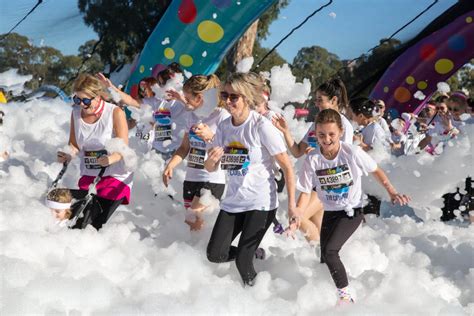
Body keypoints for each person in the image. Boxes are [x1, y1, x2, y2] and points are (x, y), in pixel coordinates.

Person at [292, 108, 410, 305]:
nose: (326, 139)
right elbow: (305, 191)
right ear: (315, 135)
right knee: (324, 255)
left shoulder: (351, 152)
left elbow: (376, 171)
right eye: (321, 135)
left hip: (351, 212)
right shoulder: (313, 159)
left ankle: (346, 297)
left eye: (331, 134)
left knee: (330, 251)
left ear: (340, 132)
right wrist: (296, 214)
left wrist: (392, 192)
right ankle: (327, 294)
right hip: (330, 212)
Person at [204, 72, 296, 286]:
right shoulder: (225, 127)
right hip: (234, 201)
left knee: (242, 262)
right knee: (215, 254)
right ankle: (255, 253)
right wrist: (212, 159)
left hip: (261, 203)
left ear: (246, 97)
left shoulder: (261, 126)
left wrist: (292, 206)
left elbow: (288, 167)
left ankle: (259, 299)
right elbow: (211, 167)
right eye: (225, 95)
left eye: (233, 97)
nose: (227, 101)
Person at [272, 78, 354, 244]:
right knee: (318, 232)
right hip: (312, 183)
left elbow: (344, 161)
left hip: (328, 184)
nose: (316, 103)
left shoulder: (344, 125)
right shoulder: (316, 125)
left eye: (320, 100)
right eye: (315, 99)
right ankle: (320, 260)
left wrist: (320, 154)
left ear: (334, 100)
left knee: (298, 218)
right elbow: (296, 152)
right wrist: (285, 131)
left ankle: (323, 256)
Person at [57, 73, 134, 230]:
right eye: (77, 100)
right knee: (76, 221)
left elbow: (123, 148)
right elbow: (74, 144)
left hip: (115, 177)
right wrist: (68, 153)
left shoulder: (115, 112)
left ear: (98, 98)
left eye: (85, 100)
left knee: (92, 224)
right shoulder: (76, 113)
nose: (81, 105)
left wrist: (111, 158)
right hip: (90, 176)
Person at [163, 74, 229, 231]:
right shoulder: (191, 116)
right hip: (191, 178)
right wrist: (170, 165)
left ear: (199, 98)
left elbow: (230, 150)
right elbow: (185, 147)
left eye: (188, 98)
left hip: (212, 180)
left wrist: (210, 137)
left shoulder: (222, 116)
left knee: (192, 226)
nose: (185, 102)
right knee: (195, 233)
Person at [98, 64, 189, 160]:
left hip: (178, 152)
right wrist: (111, 87)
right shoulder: (157, 101)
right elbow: (131, 101)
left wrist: (181, 99)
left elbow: (195, 109)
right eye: (159, 83)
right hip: (156, 151)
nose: (160, 87)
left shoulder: (184, 100)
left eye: (162, 83)